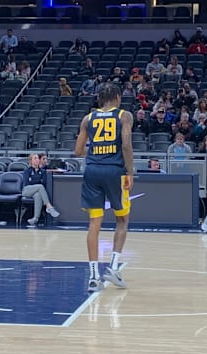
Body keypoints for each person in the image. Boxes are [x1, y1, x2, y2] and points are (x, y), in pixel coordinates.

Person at [74, 83, 134, 292]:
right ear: (117, 97)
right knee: (122, 219)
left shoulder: (88, 118)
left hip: (92, 171)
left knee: (94, 224)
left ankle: (92, 277)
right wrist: (130, 171)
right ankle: (114, 268)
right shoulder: (124, 116)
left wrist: (95, 155)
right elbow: (126, 144)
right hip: (114, 171)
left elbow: (77, 150)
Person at [22, 153, 61, 226]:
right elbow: (27, 183)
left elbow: (44, 183)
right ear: (31, 161)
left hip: (36, 191)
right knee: (40, 186)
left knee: (38, 195)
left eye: (37, 158)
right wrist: (37, 182)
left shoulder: (42, 171)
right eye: (35, 158)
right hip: (26, 190)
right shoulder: (27, 171)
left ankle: (35, 218)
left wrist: (33, 181)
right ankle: (49, 206)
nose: (37, 160)